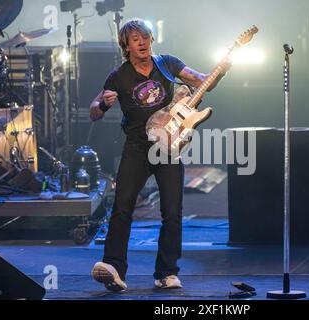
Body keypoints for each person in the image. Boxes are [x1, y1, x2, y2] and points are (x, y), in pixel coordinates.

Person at [90, 18, 229, 292]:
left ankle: (166, 273)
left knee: (172, 212)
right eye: (135, 39)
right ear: (126, 46)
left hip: (168, 146)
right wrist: (102, 105)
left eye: (145, 37)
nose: (141, 42)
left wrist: (220, 72)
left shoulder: (167, 63)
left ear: (151, 39)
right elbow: (94, 110)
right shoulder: (118, 76)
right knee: (122, 208)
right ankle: (113, 268)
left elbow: (202, 82)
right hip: (137, 147)